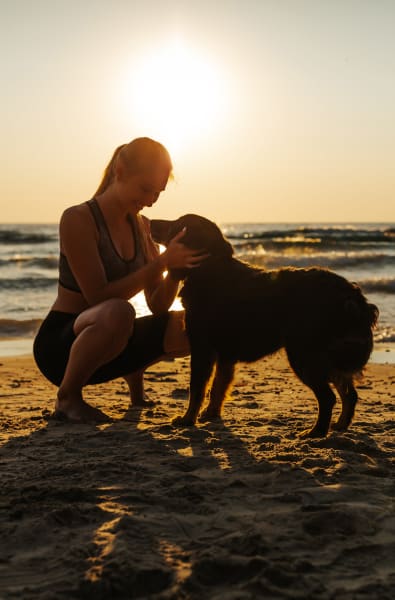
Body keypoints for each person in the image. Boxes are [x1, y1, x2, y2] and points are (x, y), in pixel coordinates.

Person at [33, 137, 206, 423]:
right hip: (61, 348)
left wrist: (175, 269)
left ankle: (133, 377)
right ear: (120, 171)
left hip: (114, 343)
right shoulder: (78, 219)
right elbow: (98, 298)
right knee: (118, 311)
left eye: (158, 193)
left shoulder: (142, 228)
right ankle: (68, 397)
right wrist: (162, 261)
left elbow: (158, 305)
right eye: (145, 189)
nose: (151, 200)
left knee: (200, 324)